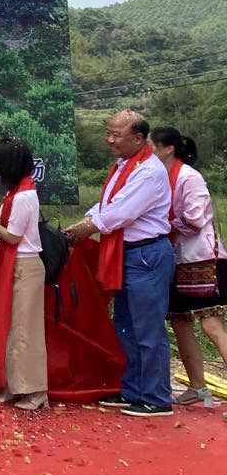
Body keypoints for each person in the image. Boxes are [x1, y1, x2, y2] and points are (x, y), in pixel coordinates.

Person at [65, 109, 173, 417]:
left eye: (116, 135)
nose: (109, 140)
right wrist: (85, 220)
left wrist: (85, 227)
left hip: (146, 254)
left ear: (138, 138)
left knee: (148, 329)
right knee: (125, 325)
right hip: (125, 253)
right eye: (108, 132)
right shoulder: (124, 166)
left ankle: (156, 397)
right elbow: (107, 204)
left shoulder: (148, 171)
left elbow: (121, 213)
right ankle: (132, 389)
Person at [0, 137, 48, 411]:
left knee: (27, 331)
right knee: (15, 329)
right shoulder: (17, 192)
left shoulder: (23, 196)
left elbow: (13, 237)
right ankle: (16, 386)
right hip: (16, 265)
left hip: (25, 266)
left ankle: (36, 391)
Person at [149, 127, 227, 408]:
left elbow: (194, 220)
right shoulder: (161, 177)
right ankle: (197, 386)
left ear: (168, 148)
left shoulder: (189, 177)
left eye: (152, 146)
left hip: (201, 257)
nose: (149, 152)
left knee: (211, 324)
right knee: (180, 322)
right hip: (177, 257)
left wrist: (160, 224)